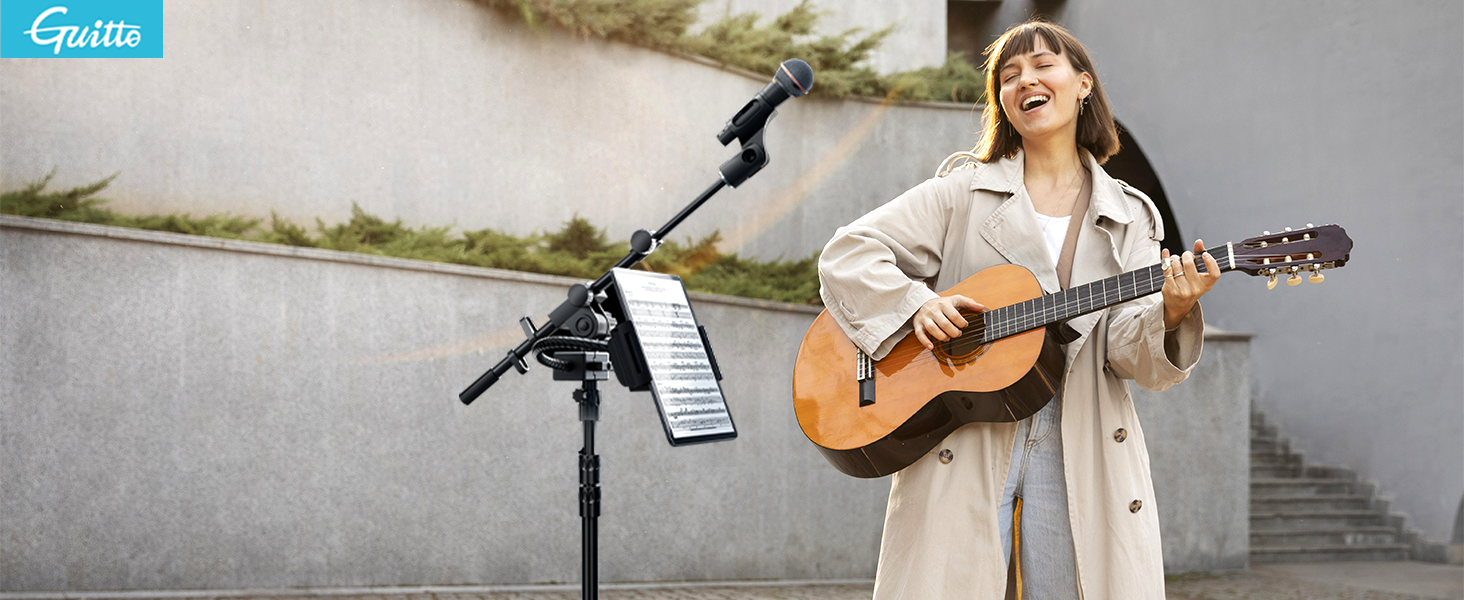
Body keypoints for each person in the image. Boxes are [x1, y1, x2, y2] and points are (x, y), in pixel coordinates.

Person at [816, 20, 1220, 599]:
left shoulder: (1133, 214)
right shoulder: (962, 191)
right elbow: (849, 252)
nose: (1024, 81)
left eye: (1041, 66)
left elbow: (1129, 354)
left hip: (1080, 434)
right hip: (968, 432)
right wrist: (914, 307)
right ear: (1002, 102)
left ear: (1083, 84)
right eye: (1008, 76)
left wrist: (1172, 312)